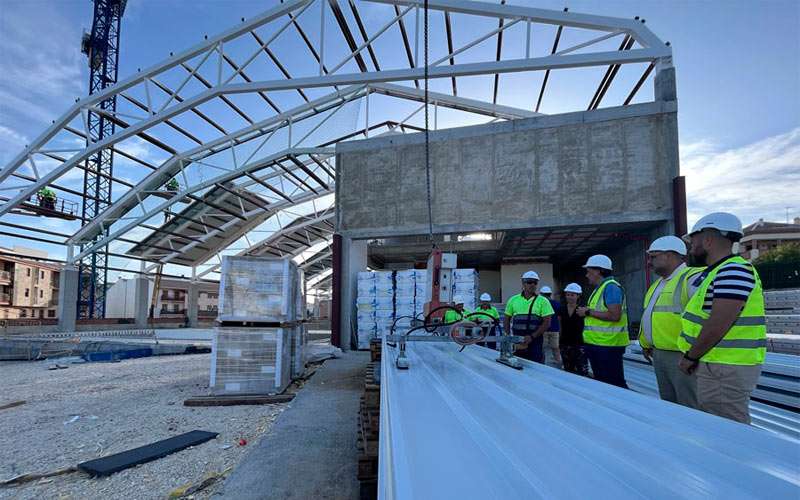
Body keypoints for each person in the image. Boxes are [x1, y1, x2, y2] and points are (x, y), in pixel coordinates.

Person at [677, 212, 767, 424]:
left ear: (707, 240)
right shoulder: (719, 271)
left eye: (693, 241)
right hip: (718, 363)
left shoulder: (733, 270)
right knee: (718, 425)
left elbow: (718, 323)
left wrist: (691, 356)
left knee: (728, 430)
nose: (691, 247)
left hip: (724, 366)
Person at [639, 236, 702, 408]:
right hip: (659, 353)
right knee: (670, 407)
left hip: (682, 356)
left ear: (670, 255)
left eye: (653, 256)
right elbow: (651, 316)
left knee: (690, 407)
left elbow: (704, 319)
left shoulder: (692, 278)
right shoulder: (658, 285)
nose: (649, 262)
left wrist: (693, 354)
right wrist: (646, 343)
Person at [577, 255, 629, 388]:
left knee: (613, 385)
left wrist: (588, 312)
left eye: (589, 271)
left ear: (598, 271)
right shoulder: (601, 288)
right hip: (600, 345)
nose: (587, 275)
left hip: (607, 347)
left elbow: (614, 315)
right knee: (604, 384)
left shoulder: (610, 288)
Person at [504, 271, 554, 363]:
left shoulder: (543, 301)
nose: (533, 285)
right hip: (517, 341)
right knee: (516, 365)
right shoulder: (513, 300)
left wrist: (531, 337)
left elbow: (547, 323)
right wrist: (508, 337)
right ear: (523, 283)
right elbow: (506, 319)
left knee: (535, 367)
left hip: (535, 342)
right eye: (529, 282)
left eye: (535, 282)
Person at [559, 283, 588, 376]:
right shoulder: (562, 309)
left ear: (578, 296)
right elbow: (559, 326)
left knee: (582, 371)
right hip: (565, 343)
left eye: (572, 295)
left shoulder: (583, 310)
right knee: (568, 371)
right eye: (568, 294)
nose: (570, 297)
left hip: (579, 344)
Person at [539, 286, 563, 366]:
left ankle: (541, 363)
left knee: (542, 347)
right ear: (550, 294)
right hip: (555, 329)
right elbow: (560, 317)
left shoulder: (541, 303)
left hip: (543, 329)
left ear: (541, 294)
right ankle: (558, 362)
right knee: (555, 347)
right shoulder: (556, 303)